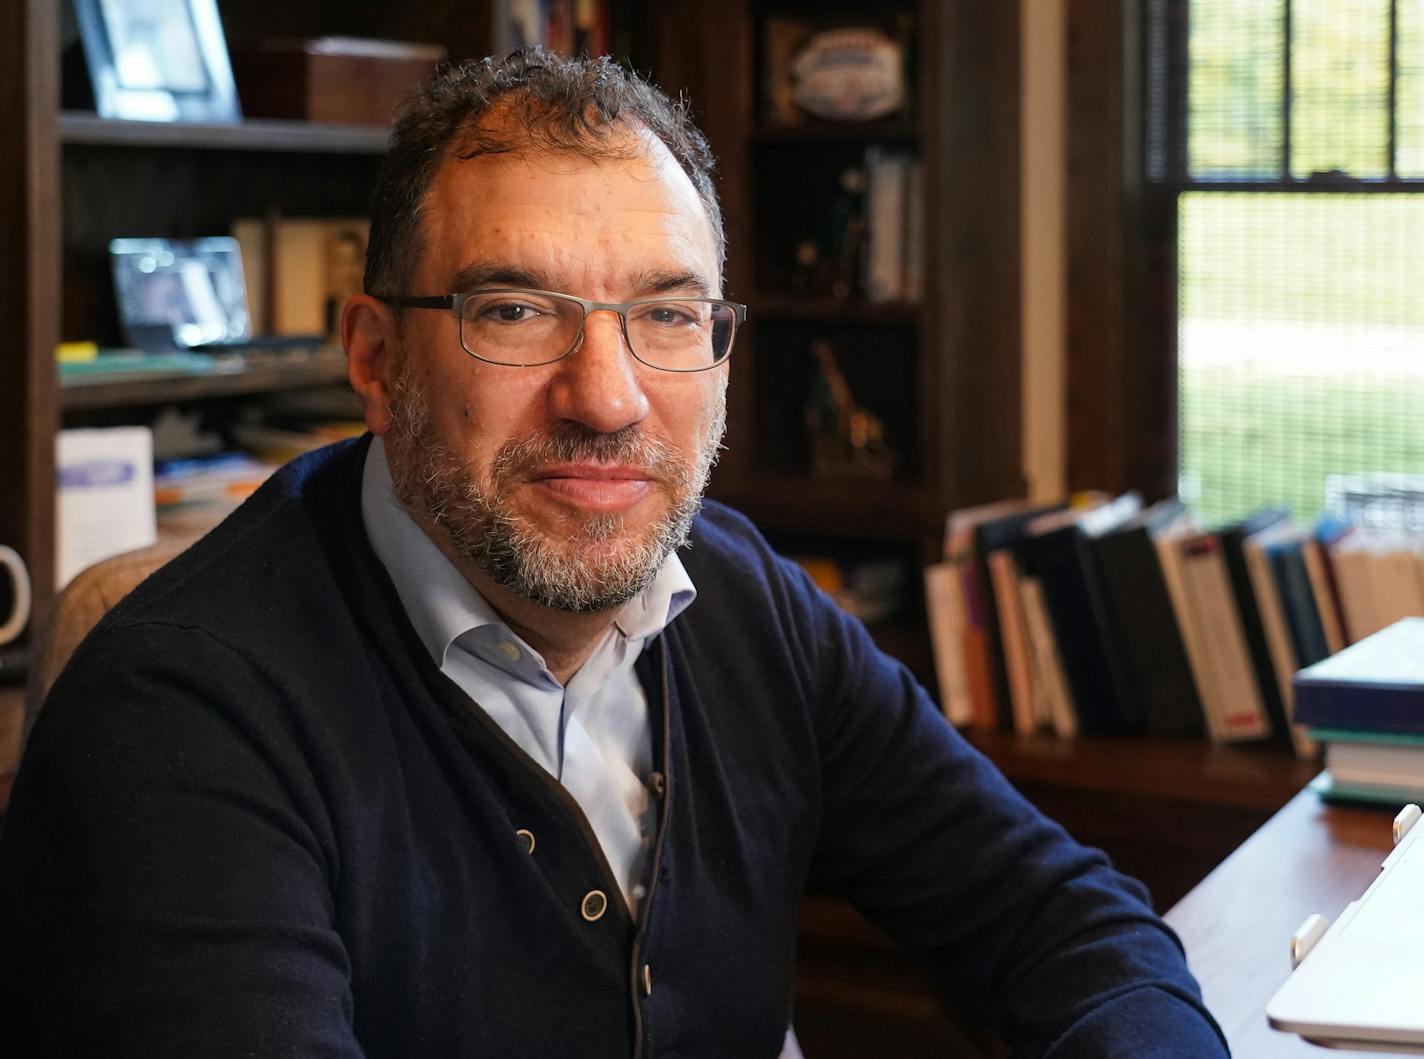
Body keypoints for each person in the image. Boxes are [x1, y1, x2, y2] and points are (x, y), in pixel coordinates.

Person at [0, 50, 1230, 1058]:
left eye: (666, 317)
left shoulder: (742, 599)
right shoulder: (177, 716)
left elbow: (1063, 926)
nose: (608, 398)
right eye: (515, 312)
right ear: (374, 360)